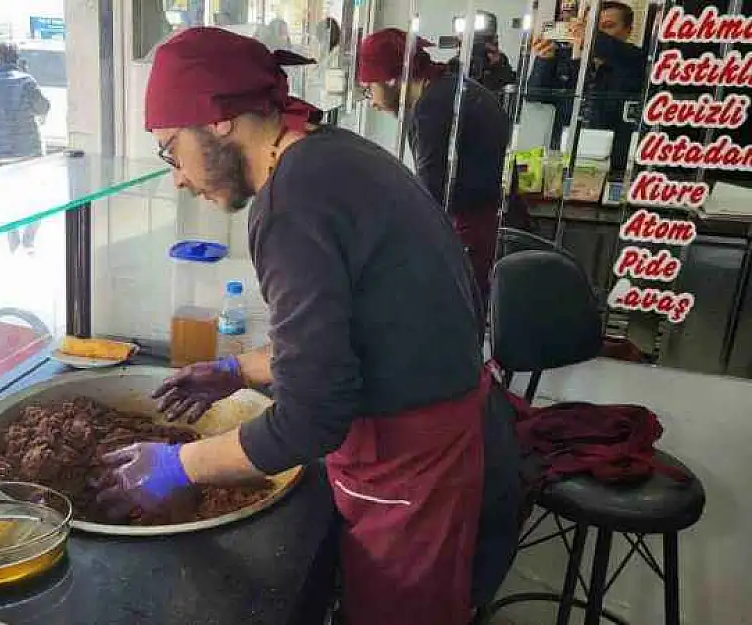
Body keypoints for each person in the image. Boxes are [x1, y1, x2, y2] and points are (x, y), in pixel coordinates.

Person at [96, 27, 522, 625]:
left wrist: (176, 467)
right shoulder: (331, 153)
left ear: (217, 120)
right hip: (446, 431)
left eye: (170, 149)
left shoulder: (292, 200)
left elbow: (310, 420)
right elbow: (355, 329)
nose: (178, 177)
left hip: (416, 465)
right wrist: (236, 368)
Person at [358, 28, 510, 309]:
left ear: (393, 80)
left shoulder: (432, 107)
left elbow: (430, 192)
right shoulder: (451, 88)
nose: (373, 103)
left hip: (465, 227)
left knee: (451, 311)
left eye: (370, 88)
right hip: (480, 219)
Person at [528, 1, 646, 171]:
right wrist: (543, 61)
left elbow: (626, 56)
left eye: (608, 26)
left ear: (628, 31)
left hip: (614, 160)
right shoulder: (566, 58)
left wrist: (591, 36)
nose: (596, 33)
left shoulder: (634, 61)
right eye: (591, 27)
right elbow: (535, 97)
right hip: (562, 155)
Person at [0, 42, 51, 254]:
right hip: (27, 153)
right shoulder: (25, 81)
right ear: (17, 59)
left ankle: (13, 242)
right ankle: (29, 240)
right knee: (39, 198)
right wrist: (27, 76)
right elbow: (43, 107)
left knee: (7, 199)